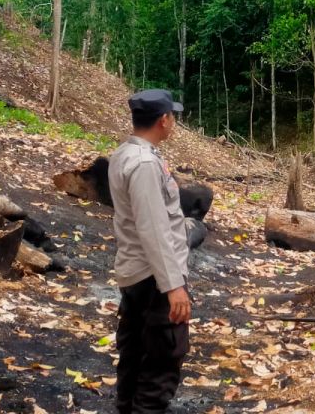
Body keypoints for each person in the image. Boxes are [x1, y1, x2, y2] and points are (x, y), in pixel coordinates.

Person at [109, 89, 192, 413]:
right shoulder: (143, 163)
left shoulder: (128, 153)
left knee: (135, 354)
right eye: (173, 117)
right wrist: (173, 286)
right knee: (160, 362)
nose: (173, 123)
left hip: (137, 273)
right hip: (153, 278)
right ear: (164, 120)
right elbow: (154, 229)